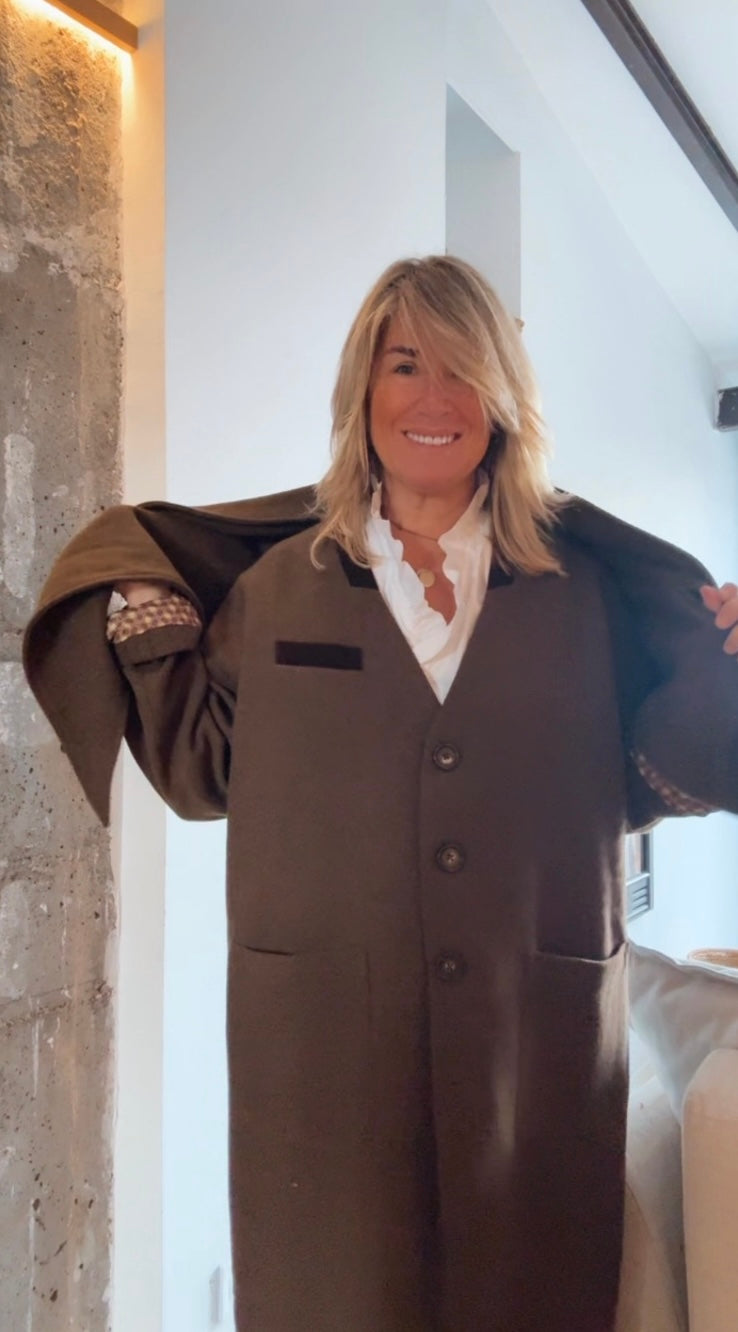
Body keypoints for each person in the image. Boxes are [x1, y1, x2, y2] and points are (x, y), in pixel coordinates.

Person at [24, 256, 738, 1332]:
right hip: (323, 1054)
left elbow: (653, 774)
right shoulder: (278, 586)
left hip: (532, 1044)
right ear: (364, 387)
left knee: (532, 1297)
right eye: (407, 365)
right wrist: (140, 608)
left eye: (463, 369)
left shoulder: (583, 592)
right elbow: (201, 772)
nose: (434, 398)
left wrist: (724, 668)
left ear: (502, 398)